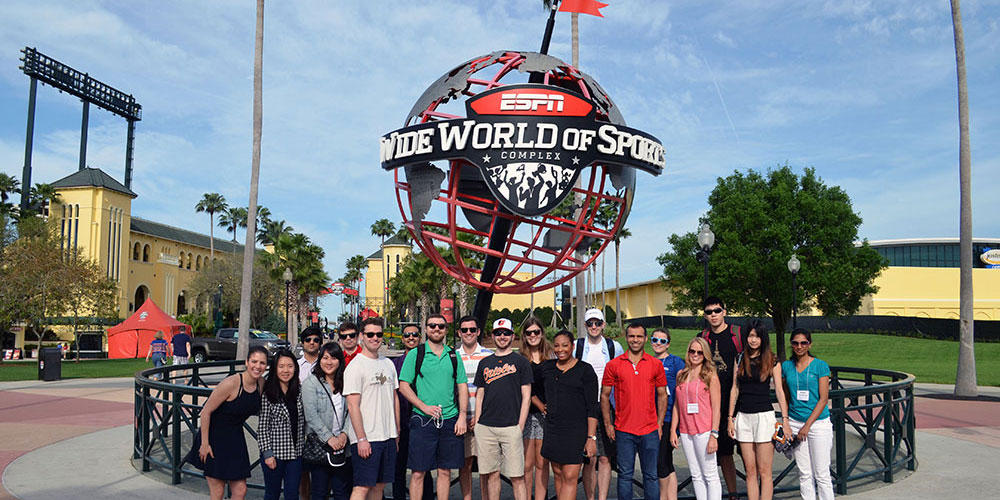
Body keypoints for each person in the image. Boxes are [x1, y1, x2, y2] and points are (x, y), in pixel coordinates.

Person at [398, 314, 469, 500]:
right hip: (422, 421)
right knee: (418, 472)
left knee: (445, 471)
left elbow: (462, 386)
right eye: (432, 326)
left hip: (449, 419)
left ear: (446, 330)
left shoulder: (453, 355)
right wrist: (424, 407)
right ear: (426, 329)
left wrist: (462, 415)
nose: (436, 329)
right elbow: (404, 385)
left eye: (441, 326)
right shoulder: (416, 354)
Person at [601, 323, 667, 500]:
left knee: (651, 476)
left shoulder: (655, 364)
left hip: (650, 430)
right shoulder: (613, 365)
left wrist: (659, 423)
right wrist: (608, 424)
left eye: (639, 336)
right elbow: (605, 395)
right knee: (624, 476)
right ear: (626, 338)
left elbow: (662, 395)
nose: (635, 340)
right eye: (631, 336)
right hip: (623, 430)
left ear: (645, 339)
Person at [727, 321, 791, 500]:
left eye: (757, 336)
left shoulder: (772, 359)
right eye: (750, 336)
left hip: (764, 417)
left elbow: (779, 390)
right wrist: (730, 418)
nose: (753, 340)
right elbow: (735, 388)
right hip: (743, 417)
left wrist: (785, 420)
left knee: (764, 471)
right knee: (750, 471)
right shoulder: (739, 358)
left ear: (763, 338)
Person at [473, 318, 533, 500]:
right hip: (486, 427)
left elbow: (526, 397)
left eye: (506, 333)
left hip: (511, 426)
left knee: (517, 476)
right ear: (493, 336)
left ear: (512, 336)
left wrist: (520, 426)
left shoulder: (521, 362)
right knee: (491, 474)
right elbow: (480, 396)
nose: (502, 336)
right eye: (498, 333)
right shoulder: (484, 363)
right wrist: (477, 423)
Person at [198, 345, 267, 500]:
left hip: (236, 438)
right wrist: (204, 444)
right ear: (247, 362)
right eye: (254, 361)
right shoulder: (231, 383)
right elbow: (206, 412)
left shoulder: (261, 384)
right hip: (214, 438)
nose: (257, 366)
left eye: (262, 363)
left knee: (240, 490)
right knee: (217, 491)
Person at [344, 317, 399, 500]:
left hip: (388, 436)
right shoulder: (355, 366)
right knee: (362, 487)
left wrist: (396, 432)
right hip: (367, 437)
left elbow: (394, 398)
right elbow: (352, 405)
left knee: (379, 486)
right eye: (370, 334)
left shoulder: (388, 364)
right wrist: (361, 438)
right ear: (362, 336)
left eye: (378, 334)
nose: (375, 338)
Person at [541, 330, 599, 500]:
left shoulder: (585, 371)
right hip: (552, 431)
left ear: (572, 346)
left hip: (576, 433)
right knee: (558, 474)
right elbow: (529, 386)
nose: (561, 349)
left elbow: (592, 407)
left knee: (570, 476)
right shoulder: (547, 368)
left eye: (565, 345)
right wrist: (540, 405)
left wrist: (591, 438)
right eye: (557, 345)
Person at [574, 308, 624, 500]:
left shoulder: (614, 347)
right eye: (590, 323)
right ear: (585, 326)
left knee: (605, 456)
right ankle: (590, 497)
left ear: (603, 324)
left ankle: (602, 497)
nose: (594, 327)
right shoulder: (577, 346)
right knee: (589, 457)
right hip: (584, 405)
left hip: (607, 405)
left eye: (597, 323)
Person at [781, 329, 833, 500]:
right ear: (791, 344)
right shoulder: (786, 366)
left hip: (817, 423)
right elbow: (786, 396)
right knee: (804, 473)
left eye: (803, 343)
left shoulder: (820, 366)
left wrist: (807, 426)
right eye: (795, 343)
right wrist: (786, 422)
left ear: (810, 344)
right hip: (795, 422)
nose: (799, 346)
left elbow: (823, 399)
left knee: (821, 473)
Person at [699, 297, 741, 499]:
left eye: (717, 310)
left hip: (738, 402)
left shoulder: (737, 334)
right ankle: (726, 493)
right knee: (722, 452)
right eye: (709, 312)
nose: (713, 314)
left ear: (724, 311)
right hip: (712, 404)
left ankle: (754, 490)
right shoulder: (703, 337)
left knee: (749, 452)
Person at [670, 338, 721, 500]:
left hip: (704, 430)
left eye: (700, 352)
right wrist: (673, 430)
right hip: (686, 431)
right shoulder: (681, 375)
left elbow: (716, 407)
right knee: (696, 474)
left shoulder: (710, 376)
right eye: (692, 351)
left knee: (710, 474)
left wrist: (714, 434)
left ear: (705, 355)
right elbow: (677, 405)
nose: (695, 355)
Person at [303, 343, 353, 500]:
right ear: (319, 360)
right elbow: (311, 415)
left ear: (340, 360)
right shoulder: (311, 383)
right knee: (319, 492)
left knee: (342, 491)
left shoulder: (346, 381)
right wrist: (329, 438)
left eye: (333, 358)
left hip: (342, 446)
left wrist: (344, 434)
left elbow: (352, 411)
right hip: (321, 445)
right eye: (325, 358)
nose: (329, 362)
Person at [393, 324, 435, 500]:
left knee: (422, 469)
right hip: (401, 423)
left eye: (415, 335)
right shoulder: (394, 364)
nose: (411, 338)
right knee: (398, 468)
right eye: (407, 335)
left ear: (420, 338)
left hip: (423, 422)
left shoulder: (429, 362)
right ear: (402, 339)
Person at [260, 348, 306, 500]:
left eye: (290, 366)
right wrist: (267, 454)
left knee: (292, 494)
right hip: (275, 454)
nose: (286, 370)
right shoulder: (268, 393)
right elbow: (262, 427)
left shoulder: (299, 391)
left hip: (296, 454)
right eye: (281, 366)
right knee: (272, 494)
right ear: (275, 368)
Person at [456, 315, 493, 500]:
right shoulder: (453, 356)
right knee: (465, 465)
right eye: (464, 330)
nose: (468, 333)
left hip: (484, 419)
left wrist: (479, 417)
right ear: (459, 333)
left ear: (478, 332)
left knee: (487, 466)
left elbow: (492, 391)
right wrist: (462, 417)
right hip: (461, 419)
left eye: (472, 330)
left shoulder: (489, 355)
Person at [519, 317, 553, 500]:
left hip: (546, 417)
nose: (533, 336)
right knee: (526, 464)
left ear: (542, 333)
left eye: (536, 332)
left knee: (542, 463)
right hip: (525, 415)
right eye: (529, 332)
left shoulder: (552, 357)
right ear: (524, 336)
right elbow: (521, 387)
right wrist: (537, 402)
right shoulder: (519, 359)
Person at [650, 328, 684, 500]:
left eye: (662, 341)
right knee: (666, 462)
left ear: (668, 344)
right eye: (655, 339)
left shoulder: (676, 362)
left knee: (661, 461)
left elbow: (681, 391)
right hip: (652, 418)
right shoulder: (647, 361)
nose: (658, 343)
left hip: (670, 418)